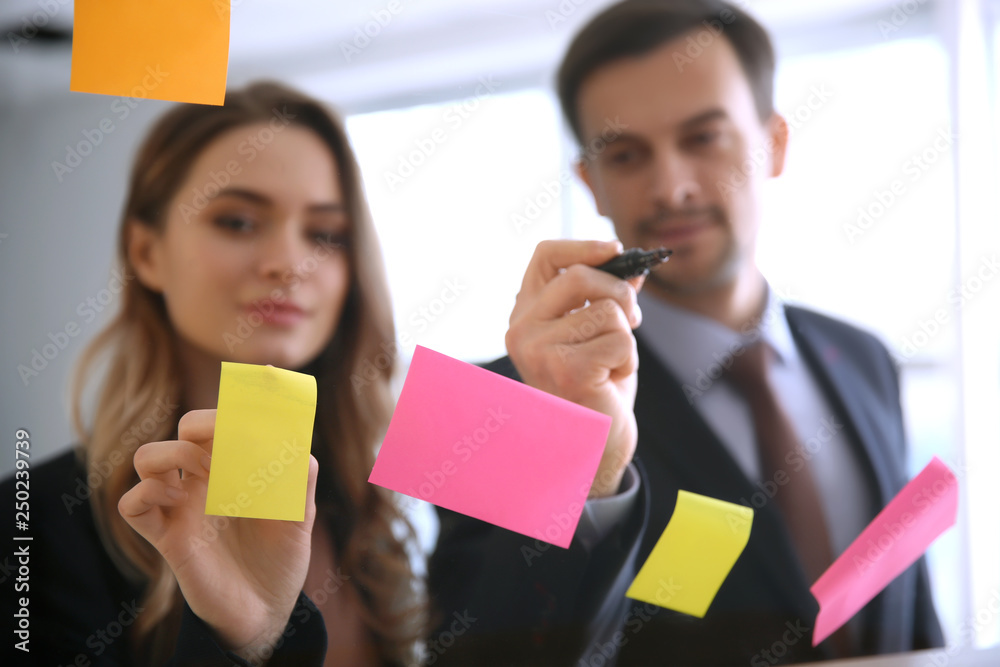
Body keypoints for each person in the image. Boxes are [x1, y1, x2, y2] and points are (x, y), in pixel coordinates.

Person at [428, 1, 944, 664]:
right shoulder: (492, 406)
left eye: (704, 138)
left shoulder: (866, 359)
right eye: (627, 154)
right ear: (591, 182)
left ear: (775, 144)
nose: (671, 188)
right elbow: (487, 655)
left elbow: (911, 610)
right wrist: (584, 472)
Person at [1, 82, 424, 666]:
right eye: (238, 222)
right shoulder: (27, 525)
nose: (288, 263)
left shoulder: (385, 500)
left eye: (325, 234)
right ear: (147, 254)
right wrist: (240, 644)